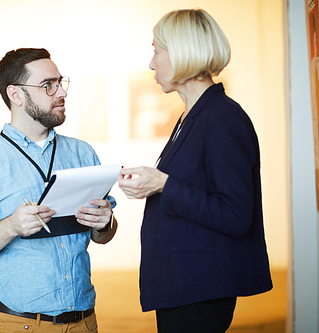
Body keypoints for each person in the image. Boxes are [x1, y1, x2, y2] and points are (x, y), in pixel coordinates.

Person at [118, 9, 272, 333]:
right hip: (185, 287)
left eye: (156, 50)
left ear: (183, 52)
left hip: (199, 290)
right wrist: (155, 185)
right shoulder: (195, 115)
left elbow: (235, 214)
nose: (151, 63)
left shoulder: (222, 118)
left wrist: (163, 184)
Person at [0, 48, 117, 333]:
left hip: (85, 323)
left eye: (61, 82)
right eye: (48, 85)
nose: (62, 92)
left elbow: (103, 236)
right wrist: (11, 226)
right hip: (20, 325)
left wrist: (105, 223)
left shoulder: (83, 153)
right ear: (16, 95)